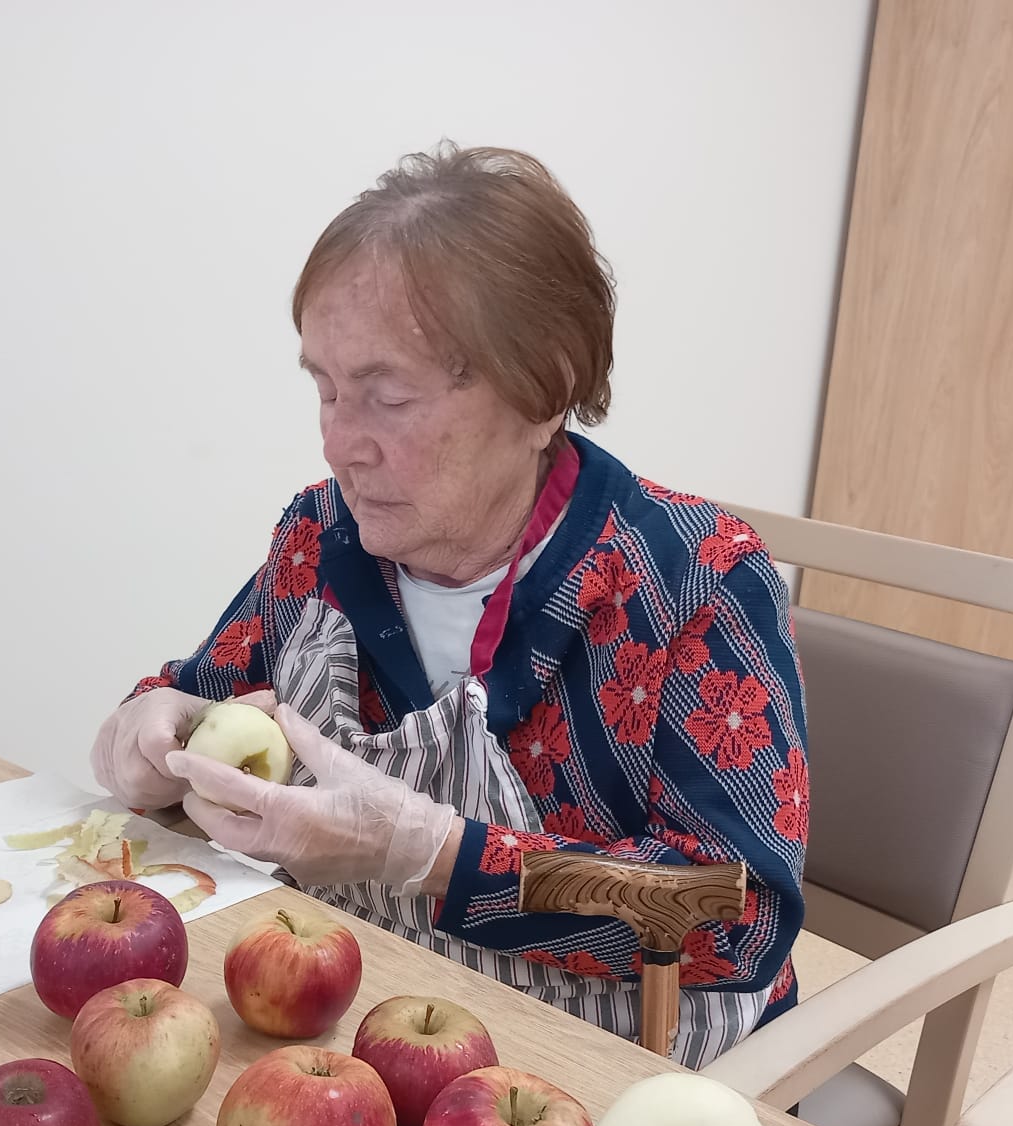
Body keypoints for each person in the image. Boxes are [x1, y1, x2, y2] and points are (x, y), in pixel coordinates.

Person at [90, 144, 808, 1068]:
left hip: (614, 1062)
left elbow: (741, 919)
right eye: (324, 389)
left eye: (387, 397)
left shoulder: (694, 581)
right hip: (365, 1030)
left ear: (544, 389)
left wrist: (429, 853)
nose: (340, 443)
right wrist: (148, 728)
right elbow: (202, 699)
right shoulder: (320, 539)